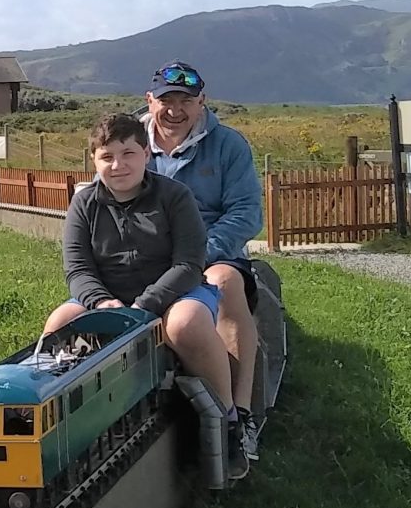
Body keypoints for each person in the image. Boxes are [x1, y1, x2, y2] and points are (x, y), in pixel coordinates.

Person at [43, 112, 250, 479]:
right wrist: (102, 302)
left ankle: (227, 419)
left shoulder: (174, 197)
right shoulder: (84, 205)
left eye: (128, 154)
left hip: (174, 293)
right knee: (60, 324)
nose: (118, 165)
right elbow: (78, 270)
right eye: (107, 157)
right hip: (109, 296)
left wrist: (146, 304)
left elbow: (189, 263)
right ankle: (58, 434)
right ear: (94, 161)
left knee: (186, 325)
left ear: (145, 155)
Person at [140, 61, 265, 463]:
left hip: (214, 251)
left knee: (225, 282)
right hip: (149, 254)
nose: (175, 110)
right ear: (150, 101)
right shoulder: (131, 143)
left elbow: (246, 214)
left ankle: (240, 414)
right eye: (166, 100)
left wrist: (197, 255)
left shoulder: (229, 145)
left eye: (186, 101)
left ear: (202, 102)